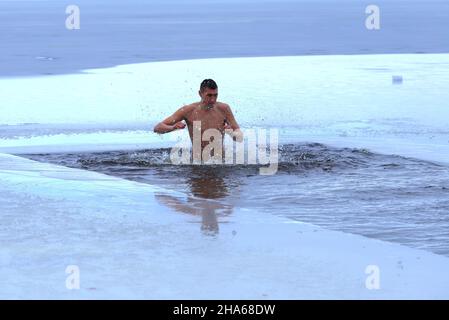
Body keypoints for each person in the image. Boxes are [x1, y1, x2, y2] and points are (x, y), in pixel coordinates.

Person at [153, 79, 243, 161]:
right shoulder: (188, 110)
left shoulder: (224, 109)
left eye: (215, 95)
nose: (213, 100)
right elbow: (157, 128)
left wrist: (231, 133)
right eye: (209, 95)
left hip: (220, 163)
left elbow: (240, 137)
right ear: (200, 94)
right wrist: (172, 127)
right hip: (198, 164)